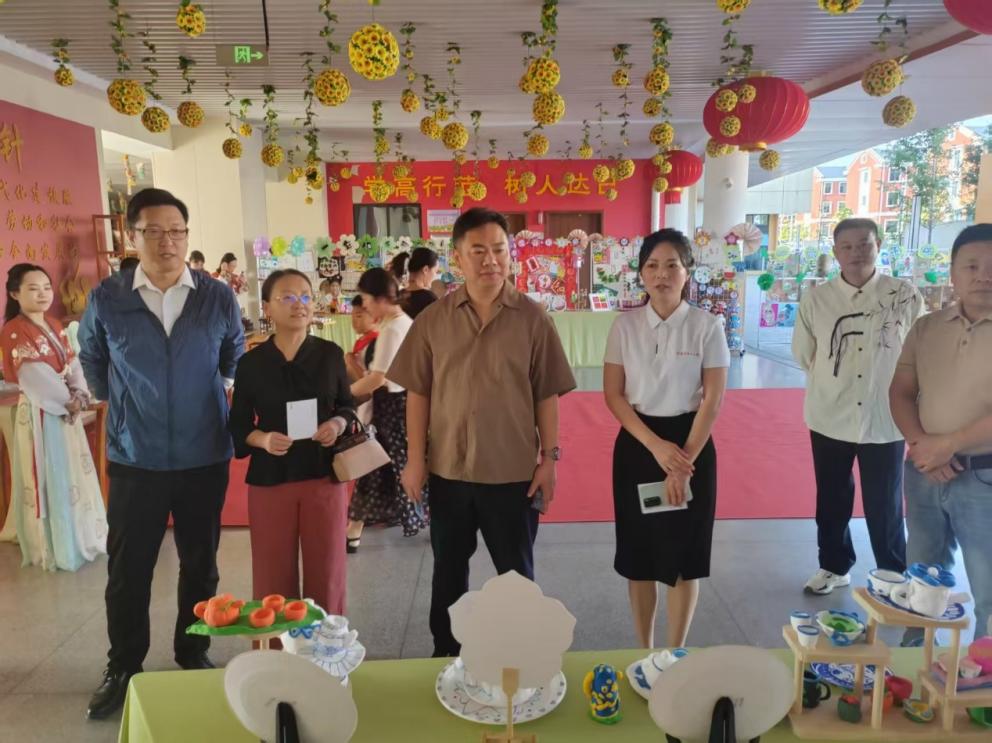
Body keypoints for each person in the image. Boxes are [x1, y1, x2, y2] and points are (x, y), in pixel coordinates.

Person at [78, 188, 244, 719]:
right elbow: (92, 357)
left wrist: (209, 396)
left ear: (187, 236)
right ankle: (124, 665)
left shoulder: (216, 296)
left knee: (201, 564)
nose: (167, 241)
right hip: (135, 457)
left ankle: (192, 651)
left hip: (203, 454)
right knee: (129, 570)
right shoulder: (109, 297)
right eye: (153, 231)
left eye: (176, 231)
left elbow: (233, 355)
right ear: (132, 235)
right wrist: (125, 406)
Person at [387, 207, 575, 657]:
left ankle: (521, 657)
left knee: (516, 575)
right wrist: (415, 459)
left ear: (510, 254)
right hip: (449, 471)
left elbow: (546, 395)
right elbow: (418, 394)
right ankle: (445, 654)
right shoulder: (434, 320)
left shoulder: (533, 319)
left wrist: (549, 460)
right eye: (478, 251)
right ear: (458, 258)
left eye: (499, 249)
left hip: (512, 473)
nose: (491, 260)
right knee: (448, 571)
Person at [603, 229, 729, 649]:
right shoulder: (624, 326)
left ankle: (676, 652)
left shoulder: (707, 326)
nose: (662, 274)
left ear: (687, 271)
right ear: (641, 273)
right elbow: (614, 395)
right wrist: (656, 448)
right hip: (639, 444)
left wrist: (682, 462)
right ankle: (644, 651)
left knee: (685, 558)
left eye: (672, 265)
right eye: (652, 265)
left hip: (692, 442)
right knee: (639, 557)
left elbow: (712, 399)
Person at [793, 218, 921, 595]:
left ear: (878, 245)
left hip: (886, 416)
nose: (856, 253)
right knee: (832, 497)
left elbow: (919, 352)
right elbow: (804, 354)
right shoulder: (817, 299)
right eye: (846, 247)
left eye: (864, 244)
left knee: (885, 501)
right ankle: (833, 565)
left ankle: (892, 572)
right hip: (830, 414)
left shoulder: (904, 295)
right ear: (835, 252)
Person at [229, 269, 353, 616]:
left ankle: (325, 644)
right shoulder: (251, 363)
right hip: (271, 479)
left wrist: (336, 423)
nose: (299, 304)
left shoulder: (330, 354)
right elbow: (238, 424)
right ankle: (276, 646)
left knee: (327, 570)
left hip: (323, 476)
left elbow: (347, 406)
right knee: (272, 575)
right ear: (267, 307)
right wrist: (263, 439)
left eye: (305, 296)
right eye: (287, 297)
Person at [890, 223, 992, 642]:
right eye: (972, 266)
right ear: (953, 273)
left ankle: (985, 676)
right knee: (921, 582)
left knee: (988, 592)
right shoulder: (927, 328)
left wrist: (947, 445)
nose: (983, 276)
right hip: (925, 474)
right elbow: (901, 392)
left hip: (984, 477)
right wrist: (921, 447)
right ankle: (914, 663)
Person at [0, 264, 108, 571]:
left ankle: (79, 535)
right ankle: (54, 545)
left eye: (46, 287)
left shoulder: (54, 323)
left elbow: (73, 364)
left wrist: (80, 393)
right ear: (15, 294)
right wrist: (67, 402)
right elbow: (34, 376)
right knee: (50, 475)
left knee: (72, 472)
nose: (43, 294)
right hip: (41, 411)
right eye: (33, 289)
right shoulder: (14, 330)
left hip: (65, 408)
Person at [346, 268, 427, 552]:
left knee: (374, 467)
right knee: (391, 467)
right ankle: (355, 528)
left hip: (391, 409)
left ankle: (354, 528)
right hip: (401, 405)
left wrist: (343, 396)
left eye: (367, 299)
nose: (365, 306)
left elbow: (377, 378)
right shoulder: (402, 322)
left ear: (380, 298)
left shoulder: (391, 329)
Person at [345, 294, 379, 384]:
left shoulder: (377, 343)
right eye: (352, 316)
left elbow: (371, 383)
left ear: (375, 317)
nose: (353, 321)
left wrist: (352, 362)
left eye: (358, 316)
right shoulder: (361, 341)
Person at [401, 247, 439, 319]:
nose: (435, 275)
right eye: (435, 271)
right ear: (425, 270)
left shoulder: (398, 295)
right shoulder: (430, 299)